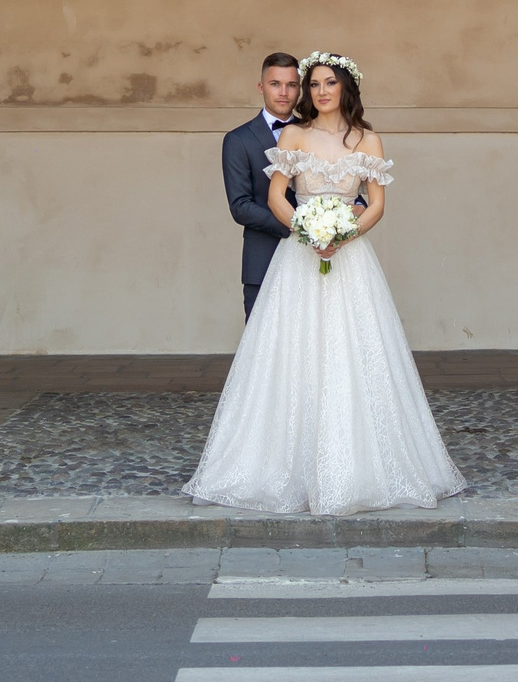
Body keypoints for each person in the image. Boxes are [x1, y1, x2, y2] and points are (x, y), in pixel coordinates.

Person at [186, 52, 466, 515]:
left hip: (351, 261)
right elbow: (277, 195)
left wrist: (342, 236)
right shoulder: (294, 134)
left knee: (353, 356)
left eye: (328, 83)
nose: (319, 91)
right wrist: (308, 232)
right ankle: (281, 465)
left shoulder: (368, 140)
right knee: (290, 357)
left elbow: (375, 204)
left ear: (345, 88)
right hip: (297, 259)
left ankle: (357, 468)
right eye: (312, 84)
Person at [224, 53, 302, 320]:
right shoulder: (238, 140)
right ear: (261, 87)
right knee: (262, 353)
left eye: (291, 85)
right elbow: (240, 207)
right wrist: (298, 225)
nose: (283, 92)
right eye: (275, 84)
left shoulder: (315, 132)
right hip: (263, 258)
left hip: (317, 257)